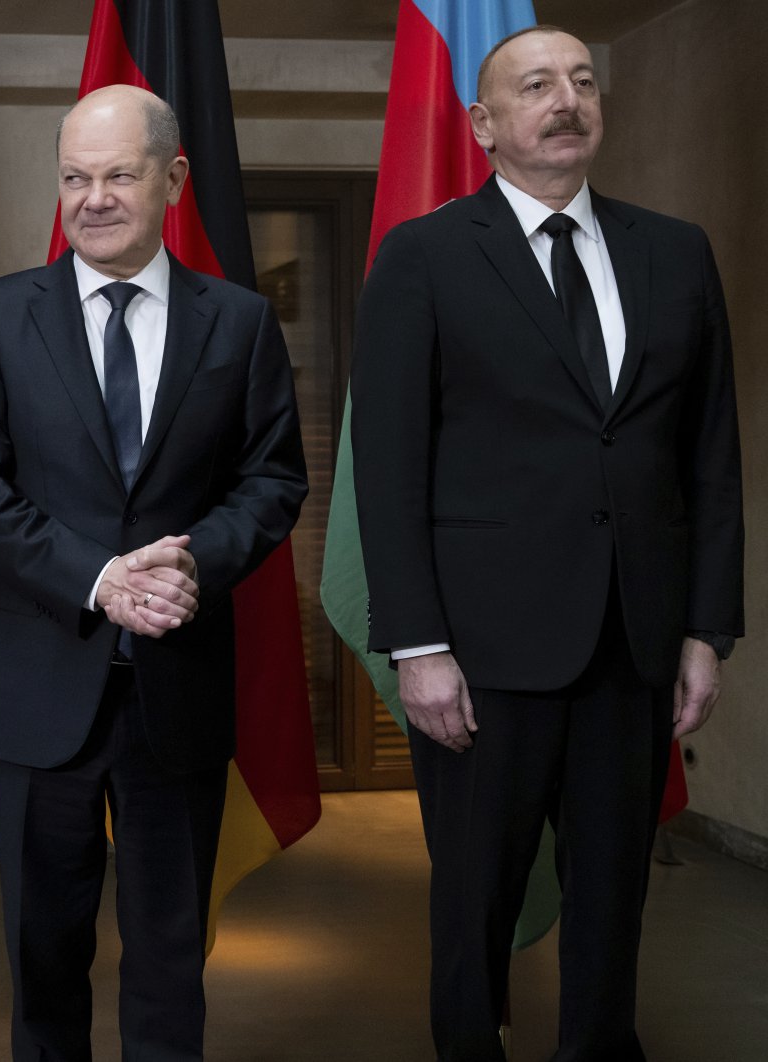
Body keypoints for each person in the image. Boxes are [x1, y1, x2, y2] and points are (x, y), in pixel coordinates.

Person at [350, 26, 743, 1062]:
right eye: (536, 85)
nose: (566, 100)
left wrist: (706, 629)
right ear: (483, 125)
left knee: (614, 903)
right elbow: (388, 472)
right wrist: (418, 645)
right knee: (473, 906)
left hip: (633, 646)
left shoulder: (676, 251)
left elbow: (709, 460)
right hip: (481, 657)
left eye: (581, 81)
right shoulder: (424, 256)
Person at [0, 84, 307, 1060]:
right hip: (38, 694)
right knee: (41, 957)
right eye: (74, 178)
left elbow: (274, 481)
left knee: (169, 957)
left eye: (116, 175)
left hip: (177, 698)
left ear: (173, 180)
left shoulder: (238, 323)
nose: (92, 198)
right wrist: (100, 578)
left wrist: (188, 566)